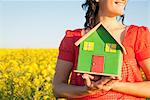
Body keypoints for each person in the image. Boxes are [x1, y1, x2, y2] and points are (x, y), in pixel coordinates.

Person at [52, 0, 150, 99]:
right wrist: (87, 90)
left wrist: (113, 85)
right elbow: (57, 88)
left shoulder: (138, 35)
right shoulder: (72, 38)